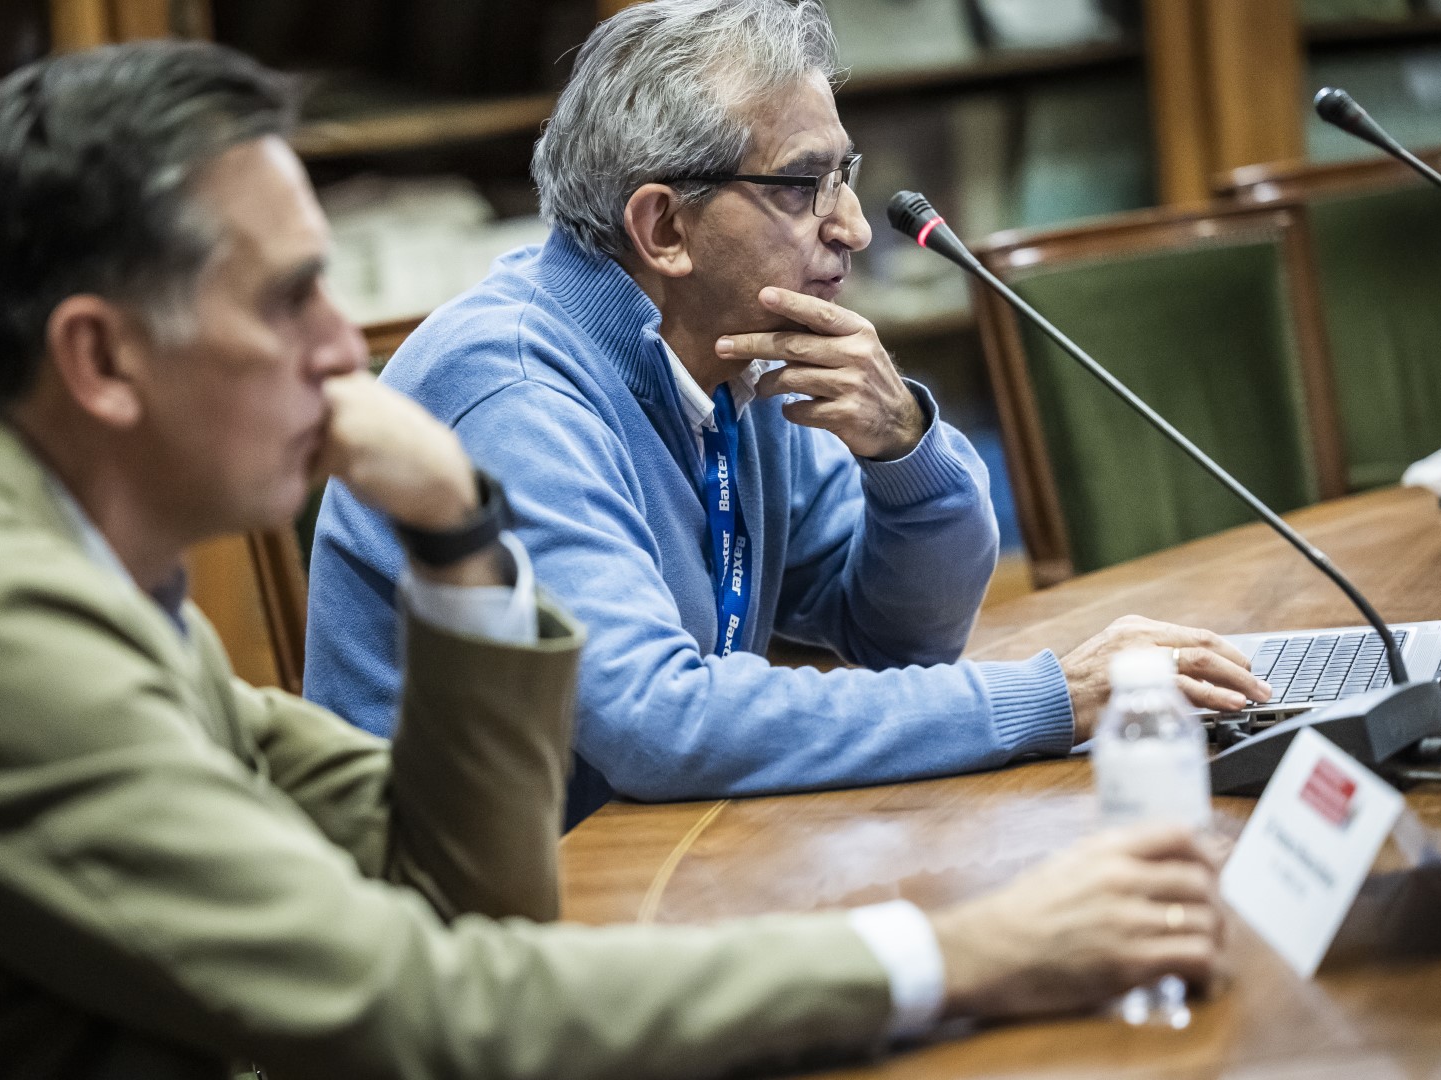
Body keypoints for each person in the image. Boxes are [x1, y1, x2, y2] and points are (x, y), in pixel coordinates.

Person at [0, 39, 1226, 1080]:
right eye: (288, 297)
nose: (343, 348)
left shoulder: (80, 573)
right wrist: (952, 954)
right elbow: (418, 1000)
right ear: (100, 359)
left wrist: (461, 541)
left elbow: (464, 884)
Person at [305, 0, 1272, 826]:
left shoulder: (734, 351)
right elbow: (656, 724)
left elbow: (896, 639)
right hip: (472, 927)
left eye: (844, 176)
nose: (851, 226)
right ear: (663, 228)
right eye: (805, 186)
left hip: (647, 852)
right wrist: (1051, 698)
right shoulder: (515, 389)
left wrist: (903, 454)